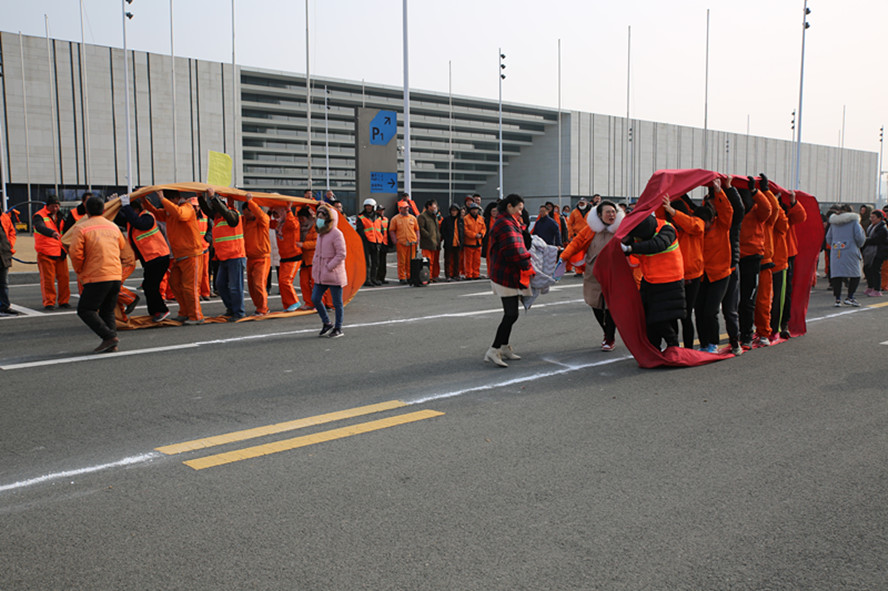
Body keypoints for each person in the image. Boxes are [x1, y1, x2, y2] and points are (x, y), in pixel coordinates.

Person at [67, 196, 134, 352]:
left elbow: (76, 254)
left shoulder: (81, 228)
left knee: (85, 310)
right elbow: (122, 247)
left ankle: (109, 337)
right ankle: (111, 343)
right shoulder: (113, 227)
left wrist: (80, 270)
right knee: (107, 310)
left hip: (96, 275)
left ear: (86, 210)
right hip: (115, 274)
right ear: (104, 210)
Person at [560, 200, 624, 351]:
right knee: (595, 304)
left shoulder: (621, 229)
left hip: (615, 274)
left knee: (611, 307)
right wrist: (564, 256)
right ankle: (606, 331)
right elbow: (576, 243)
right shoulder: (590, 229)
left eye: (613, 212)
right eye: (608, 212)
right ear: (599, 215)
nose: (611, 215)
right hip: (593, 273)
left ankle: (610, 338)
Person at [620, 214, 685, 351]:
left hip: (669, 281)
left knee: (660, 317)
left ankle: (673, 345)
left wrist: (630, 248)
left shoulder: (666, 229)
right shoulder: (639, 231)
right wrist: (624, 242)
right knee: (648, 318)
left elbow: (657, 245)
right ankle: (654, 348)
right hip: (650, 280)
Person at [485, 194, 533, 367]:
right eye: (519, 208)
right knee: (511, 313)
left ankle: (504, 347)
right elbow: (512, 249)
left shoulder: (511, 222)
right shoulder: (504, 223)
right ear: (510, 207)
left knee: (513, 314)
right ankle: (493, 349)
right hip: (504, 274)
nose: (521, 212)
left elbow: (521, 244)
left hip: (510, 272)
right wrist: (528, 264)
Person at [143, 189, 205, 324]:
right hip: (179, 254)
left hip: (191, 254)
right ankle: (184, 312)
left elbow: (180, 215)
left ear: (175, 199)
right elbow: (156, 213)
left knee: (190, 287)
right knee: (175, 284)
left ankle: (196, 316)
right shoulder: (171, 210)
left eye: (168, 200)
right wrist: (144, 200)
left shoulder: (186, 207)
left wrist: (162, 199)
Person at [692, 178, 733, 353]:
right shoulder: (696, 229)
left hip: (720, 275)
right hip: (701, 276)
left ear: (711, 219)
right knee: (699, 311)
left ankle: (713, 343)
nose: (704, 227)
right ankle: (703, 344)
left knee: (711, 311)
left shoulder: (722, 226)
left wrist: (719, 191)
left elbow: (728, 210)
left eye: (706, 224)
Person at [119, 193, 171, 322]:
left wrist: (126, 206)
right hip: (150, 259)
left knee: (151, 286)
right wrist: (118, 206)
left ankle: (161, 310)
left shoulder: (147, 216)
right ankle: (155, 311)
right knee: (148, 286)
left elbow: (140, 224)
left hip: (158, 257)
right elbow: (121, 219)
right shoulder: (133, 220)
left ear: (136, 209)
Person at [200, 189, 246, 320]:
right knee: (220, 285)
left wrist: (213, 197)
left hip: (235, 257)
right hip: (224, 258)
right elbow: (207, 211)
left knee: (235, 287)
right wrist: (200, 197)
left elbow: (225, 212)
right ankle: (231, 309)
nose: (214, 213)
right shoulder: (218, 218)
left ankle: (238, 312)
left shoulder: (233, 216)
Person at [737, 175, 772, 348]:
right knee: (738, 301)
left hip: (753, 259)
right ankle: (741, 333)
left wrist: (758, 191)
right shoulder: (735, 211)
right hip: (736, 258)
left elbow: (769, 209)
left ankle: (748, 335)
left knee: (749, 301)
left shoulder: (758, 211)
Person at [312, 203, 347, 338]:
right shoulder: (320, 233)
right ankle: (327, 322)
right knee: (315, 298)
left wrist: (329, 266)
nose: (319, 219)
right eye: (318, 216)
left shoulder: (336, 234)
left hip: (333, 273)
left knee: (337, 303)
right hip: (321, 273)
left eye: (322, 217)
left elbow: (341, 254)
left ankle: (338, 327)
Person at [33, 195, 71, 310]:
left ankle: (64, 301)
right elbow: (39, 227)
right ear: (47, 206)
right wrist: (51, 233)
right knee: (48, 280)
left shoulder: (61, 216)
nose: (55, 208)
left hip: (60, 251)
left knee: (64, 279)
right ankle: (49, 302)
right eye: (53, 206)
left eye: (57, 206)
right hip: (46, 252)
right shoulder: (39, 216)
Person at [825, 204, 865, 306]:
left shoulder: (834, 222)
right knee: (855, 275)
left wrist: (835, 245)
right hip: (850, 250)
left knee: (837, 275)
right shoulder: (854, 221)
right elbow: (859, 237)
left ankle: (837, 299)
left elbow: (828, 237)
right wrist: (858, 245)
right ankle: (850, 297)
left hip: (836, 251)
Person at [242, 193, 271, 316]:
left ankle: (263, 308)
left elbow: (262, 216)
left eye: (247, 213)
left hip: (262, 258)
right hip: (250, 258)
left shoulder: (262, 220)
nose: (245, 216)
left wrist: (251, 202)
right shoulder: (245, 221)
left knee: (259, 284)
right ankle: (259, 306)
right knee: (252, 286)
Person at [272, 204, 303, 312]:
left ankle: (294, 302)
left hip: (294, 255)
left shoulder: (292, 221)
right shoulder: (278, 223)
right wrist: (269, 211)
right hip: (284, 256)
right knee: (281, 282)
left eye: (277, 213)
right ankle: (288, 304)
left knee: (286, 281)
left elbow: (293, 225)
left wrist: (289, 210)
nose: (275, 216)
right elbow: (265, 221)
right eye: (274, 213)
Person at [356, 198, 385, 286]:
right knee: (367, 262)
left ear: (373, 207)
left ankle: (373, 278)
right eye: (367, 206)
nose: (368, 208)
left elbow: (381, 229)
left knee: (375, 262)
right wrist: (366, 240)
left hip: (376, 242)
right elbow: (360, 230)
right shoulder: (361, 217)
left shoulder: (378, 217)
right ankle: (367, 279)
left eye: (370, 206)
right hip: (367, 242)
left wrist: (380, 239)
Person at [389, 200, 419, 284]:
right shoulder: (395, 219)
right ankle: (402, 277)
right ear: (400, 209)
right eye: (404, 208)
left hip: (412, 243)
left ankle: (409, 276)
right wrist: (395, 240)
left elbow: (417, 230)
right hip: (401, 243)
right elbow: (392, 230)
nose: (406, 209)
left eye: (407, 208)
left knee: (410, 261)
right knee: (402, 262)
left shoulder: (413, 218)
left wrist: (417, 240)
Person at [296, 206, 319, 310]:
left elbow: (317, 243)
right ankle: (309, 302)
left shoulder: (315, 227)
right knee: (304, 283)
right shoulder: (299, 228)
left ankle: (319, 303)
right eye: (300, 218)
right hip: (304, 260)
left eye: (303, 218)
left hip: (313, 259)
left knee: (315, 283)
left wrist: (303, 245)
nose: (301, 220)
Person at [862, 209, 888, 296]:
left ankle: (877, 289)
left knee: (875, 270)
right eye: (871, 217)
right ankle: (870, 287)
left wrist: (864, 240)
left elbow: (875, 240)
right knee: (867, 269)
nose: (871, 219)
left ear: (879, 218)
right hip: (871, 252)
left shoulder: (882, 228)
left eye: (873, 217)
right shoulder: (872, 227)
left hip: (879, 252)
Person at [418, 199, 442, 281]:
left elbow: (437, 229)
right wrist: (428, 236)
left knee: (435, 261)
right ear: (429, 206)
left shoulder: (435, 216)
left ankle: (434, 276)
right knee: (428, 261)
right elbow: (421, 228)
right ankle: (428, 277)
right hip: (427, 243)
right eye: (434, 206)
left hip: (435, 242)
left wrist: (438, 238)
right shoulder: (423, 216)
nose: (436, 208)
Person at [439, 203, 464, 281]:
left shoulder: (460, 220)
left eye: (455, 211)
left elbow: (462, 232)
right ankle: (448, 275)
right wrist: (447, 238)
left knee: (457, 261)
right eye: (452, 210)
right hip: (449, 243)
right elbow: (443, 230)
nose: (454, 212)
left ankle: (456, 274)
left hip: (458, 243)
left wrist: (461, 241)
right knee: (448, 260)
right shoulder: (446, 220)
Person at [0, 208, 18, 316]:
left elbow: (12, 232)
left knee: (4, 283)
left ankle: (4, 306)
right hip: (4, 253)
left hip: (4, 254)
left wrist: (9, 245)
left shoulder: (4, 217)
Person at [463, 203, 486, 279]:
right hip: (469, 242)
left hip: (478, 242)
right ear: (470, 210)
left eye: (476, 209)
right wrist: (474, 235)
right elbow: (465, 230)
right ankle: (468, 275)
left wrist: (481, 234)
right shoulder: (466, 218)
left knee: (477, 260)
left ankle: (476, 274)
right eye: (473, 209)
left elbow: (484, 228)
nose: (474, 211)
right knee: (469, 261)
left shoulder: (481, 218)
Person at [375, 203, 390, 285]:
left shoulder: (386, 219)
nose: (381, 212)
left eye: (382, 210)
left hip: (384, 242)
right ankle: (376, 277)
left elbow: (388, 231)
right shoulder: (375, 219)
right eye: (379, 210)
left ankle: (382, 277)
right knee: (377, 262)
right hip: (378, 242)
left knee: (383, 262)